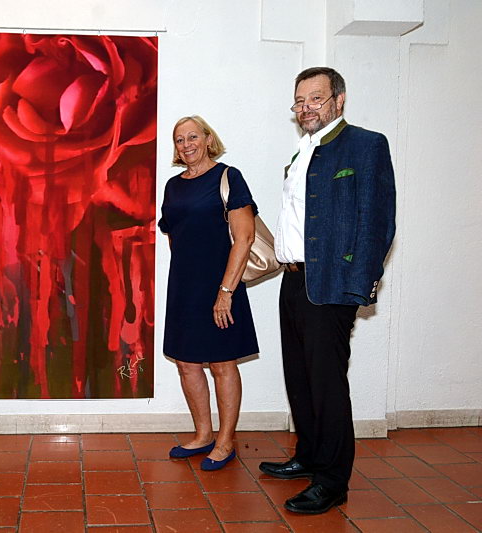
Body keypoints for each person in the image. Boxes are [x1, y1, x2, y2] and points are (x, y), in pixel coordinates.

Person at [259, 67, 396, 514]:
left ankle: (333, 481)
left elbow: (377, 221)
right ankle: (309, 456)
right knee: (299, 378)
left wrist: (358, 287)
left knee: (327, 385)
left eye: (315, 98)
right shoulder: (301, 153)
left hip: (332, 285)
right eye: (300, 101)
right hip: (293, 279)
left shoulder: (366, 145)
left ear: (339, 99)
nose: (306, 108)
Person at [158, 116, 259, 471]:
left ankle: (226, 441)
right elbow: (174, 235)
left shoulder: (228, 177)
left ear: (207, 139)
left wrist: (225, 291)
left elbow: (245, 238)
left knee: (221, 362)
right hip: (184, 286)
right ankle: (203, 435)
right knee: (186, 363)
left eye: (193, 137)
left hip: (222, 285)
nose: (186, 144)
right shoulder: (173, 186)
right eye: (179, 139)